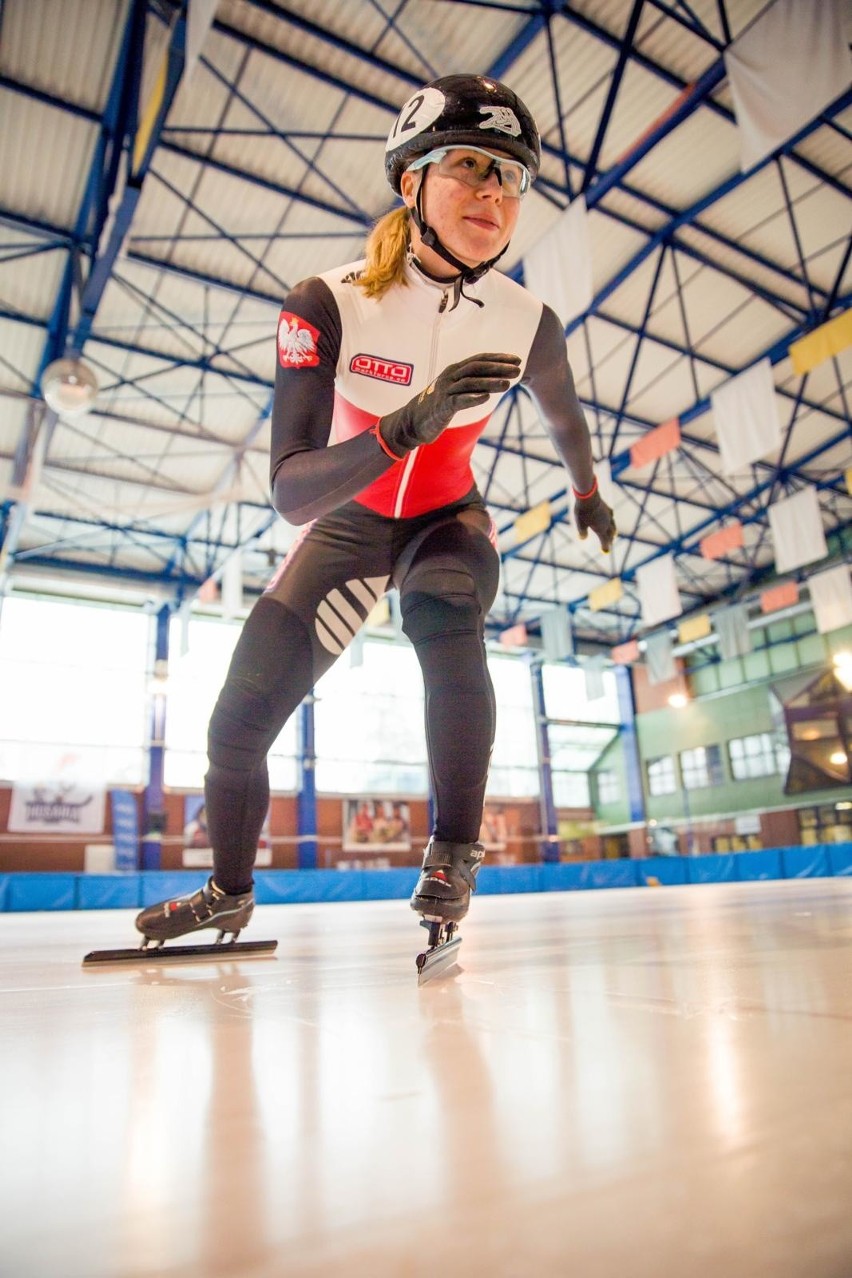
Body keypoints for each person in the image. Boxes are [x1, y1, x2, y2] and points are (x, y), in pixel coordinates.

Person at [135, 74, 616, 947]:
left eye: (510, 178)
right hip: (347, 526)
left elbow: (565, 418)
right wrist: (405, 426)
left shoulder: (527, 322)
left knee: (443, 612)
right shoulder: (327, 301)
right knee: (234, 727)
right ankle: (228, 889)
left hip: (446, 522)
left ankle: (453, 850)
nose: (492, 193)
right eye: (469, 167)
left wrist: (587, 493)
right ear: (412, 182)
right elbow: (290, 492)